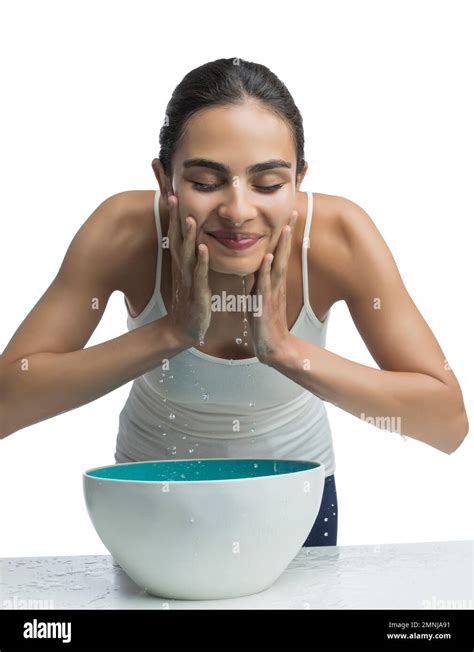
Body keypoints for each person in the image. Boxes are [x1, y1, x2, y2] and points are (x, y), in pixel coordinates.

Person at [0, 58, 468, 548]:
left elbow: (447, 423)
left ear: (299, 180)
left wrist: (287, 351)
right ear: (166, 181)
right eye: (205, 182)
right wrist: (170, 333)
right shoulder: (124, 232)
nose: (239, 211)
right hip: (151, 500)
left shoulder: (339, 238)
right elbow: (8, 401)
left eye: (268, 184)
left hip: (293, 501)